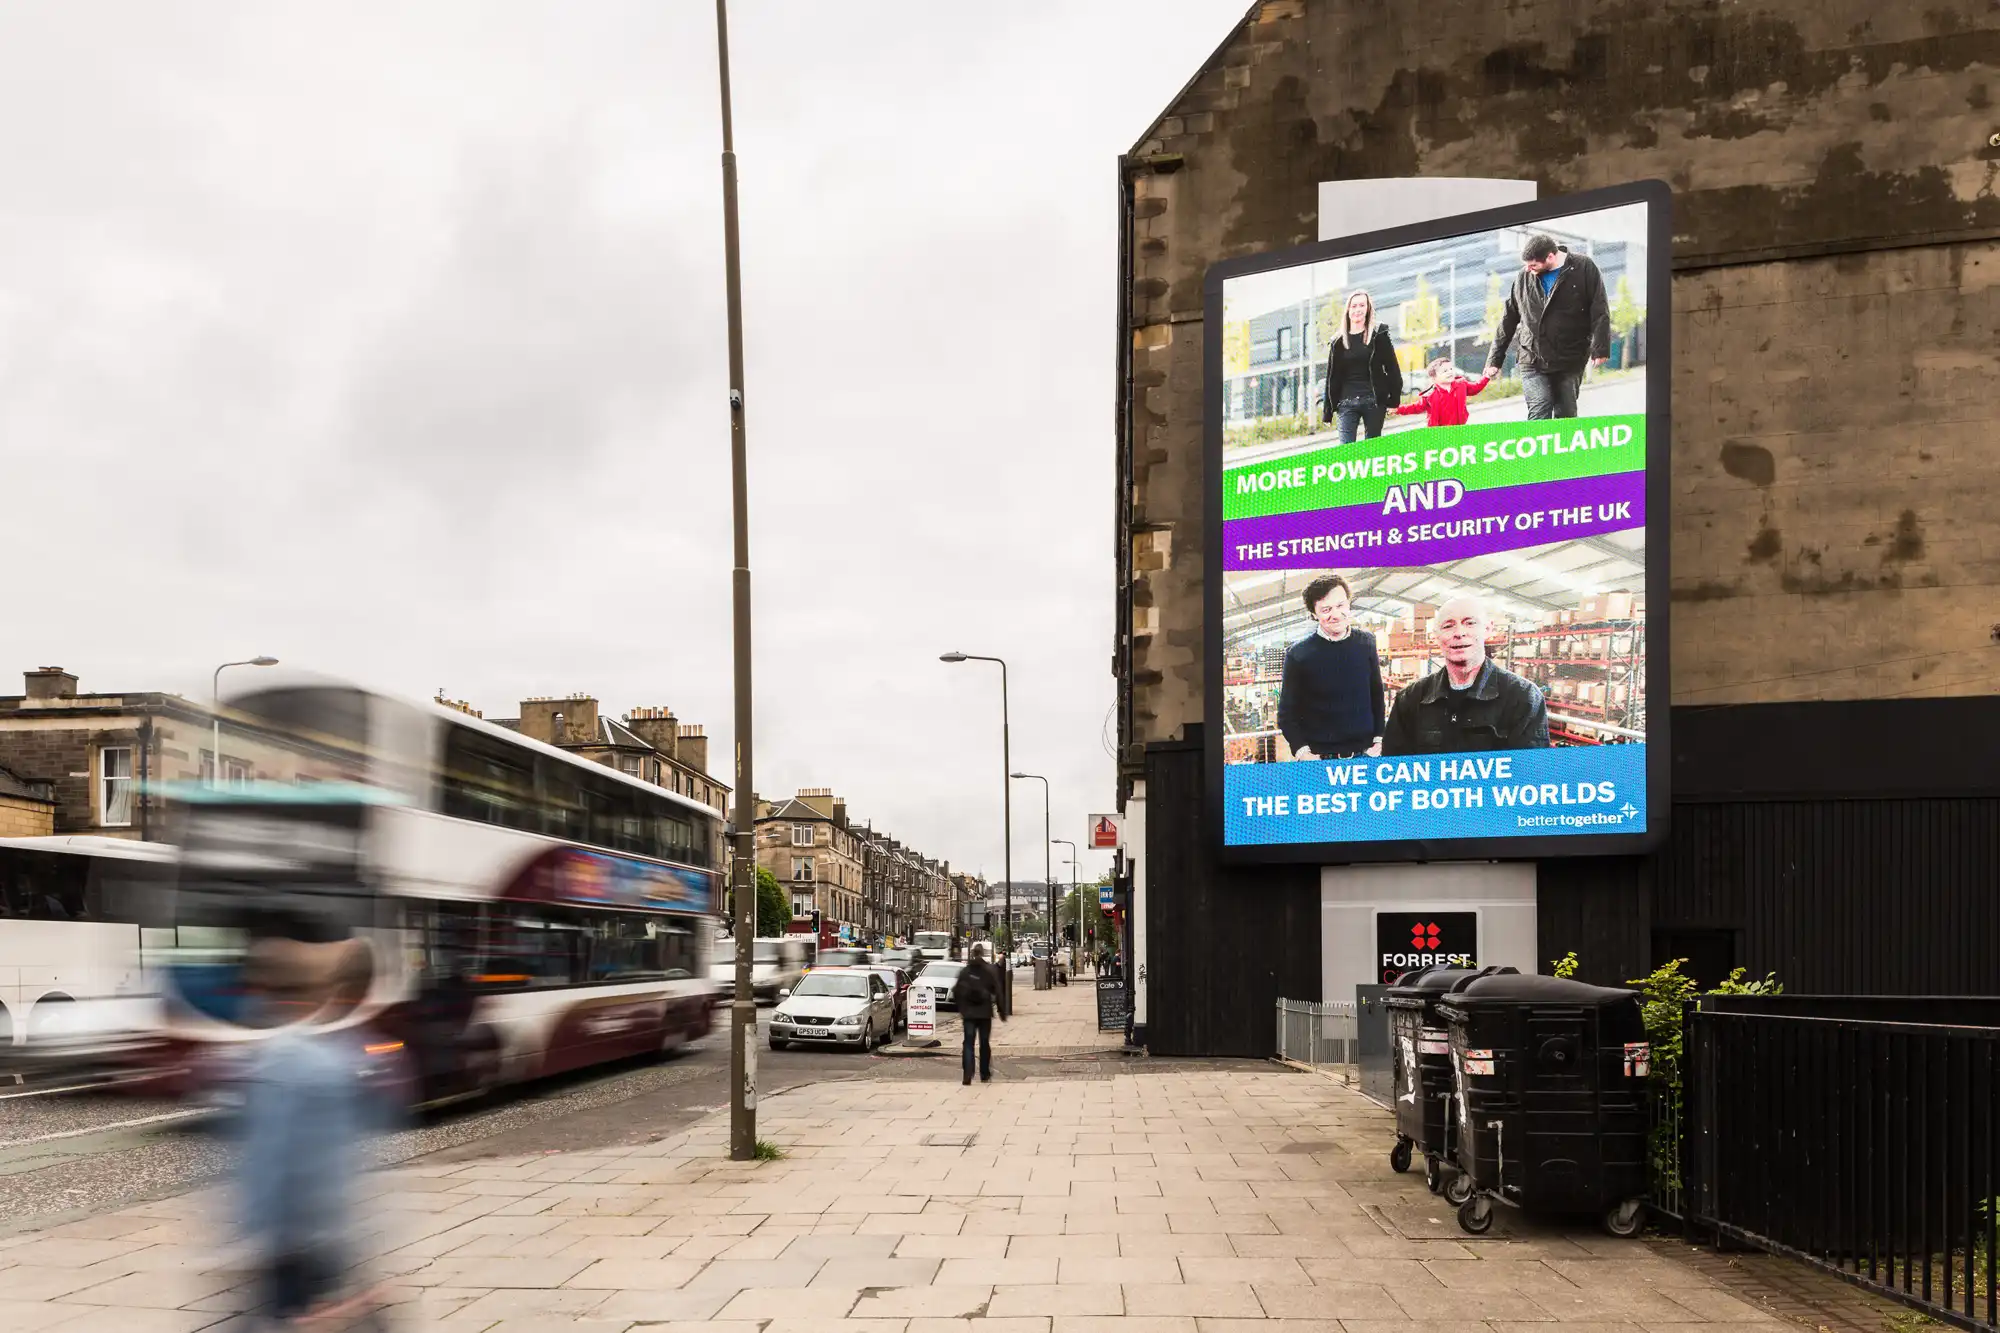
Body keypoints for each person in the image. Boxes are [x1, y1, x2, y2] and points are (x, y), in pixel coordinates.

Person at [236, 937, 384, 1330]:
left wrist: (252, 1235)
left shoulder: (285, 1057)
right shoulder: (332, 1054)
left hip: (294, 1242)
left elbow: (270, 1160)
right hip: (327, 1235)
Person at [1380, 595, 1550, 756]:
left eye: (1470, 623)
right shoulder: (1410, 700)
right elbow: (1395, 773)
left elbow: (1531, 776)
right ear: (1436, 636)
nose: (1459, 633)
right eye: (1448, 626)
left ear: (1488, 629)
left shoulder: (1523, 698)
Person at [1485, 233, 1611, 420]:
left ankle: (1564, 449)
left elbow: (1599, 308)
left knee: (1566, 413)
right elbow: (1508, 319)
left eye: (1533, 265)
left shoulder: (1584, 267)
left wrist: (1600, 347)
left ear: (1550, 257)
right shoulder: (1523, 277)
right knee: (1539, 409)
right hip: (1532, 356)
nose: (1528, 269)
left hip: (1570, 357)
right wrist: (1494, 359)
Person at [1277, 574, 1385, 761]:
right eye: (1326, 609)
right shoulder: (1298, 654)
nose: (1336, 614)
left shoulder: (1366, 643)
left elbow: (1376, 693)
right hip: (1320, 760)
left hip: (1366, 756)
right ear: (1313, 613)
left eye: (1341, 605)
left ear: (1349, 604)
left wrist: (1379, 739)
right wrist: (1303, 753)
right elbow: (1287, 713)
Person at [1319, 289, 1403, 444]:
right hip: (1346, 403)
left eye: (1362, 305)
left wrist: (1394, 400)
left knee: (1372, 449)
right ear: (1348, 310)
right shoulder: (1337, 341)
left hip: (1374, 400)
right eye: (1354, 306)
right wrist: (1328, 411)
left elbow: (1392, 368)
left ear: (1368, 308)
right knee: (1346, 450)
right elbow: (1332, 377)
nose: (1358, 310)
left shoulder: (1379, 334)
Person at [950, 942, 1006, 1086]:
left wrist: (961, 1008)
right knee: (984, 1043)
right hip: (984, 1013)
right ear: (982, 953)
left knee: (968, 1043)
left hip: (968, 1014)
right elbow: (998, 991)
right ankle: (984, 1074)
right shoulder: (989, 971)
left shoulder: (965, 972)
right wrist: (1001, 1011)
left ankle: (967, 1074)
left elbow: (956, 991)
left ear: (972, 954)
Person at [1394, 358, 1492, 428]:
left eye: (1451, 369)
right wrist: (1398, 410)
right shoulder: (1430, 395)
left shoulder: (1461, 384)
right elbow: (1416, 407)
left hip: (1459, 428)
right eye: (1445, 371)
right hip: (1438, 433)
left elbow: (1476, 388)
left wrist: (1486, 377)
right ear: (1434, 378)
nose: (1450, 372)